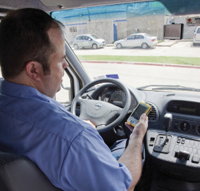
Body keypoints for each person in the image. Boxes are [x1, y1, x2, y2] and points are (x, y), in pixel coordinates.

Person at [0, 8, 148, 191]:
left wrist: (82, 128)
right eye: (61, 59)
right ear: (34, 70)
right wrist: (137, 136)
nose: (66, 65)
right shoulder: (73, 137)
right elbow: (124, 187)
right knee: (124, 144)